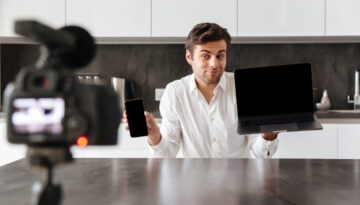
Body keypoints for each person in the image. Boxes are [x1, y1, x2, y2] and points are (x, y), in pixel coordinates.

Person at [124, 23, 279, 158]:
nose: (214, 64)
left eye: (220, 56)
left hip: (238, 185)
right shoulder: (175, 93)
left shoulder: (244, 87)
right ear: (189, 57)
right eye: (206, 56)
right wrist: (154, 136)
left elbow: (260, 154)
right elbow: (167, 154)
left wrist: (268, 135)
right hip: (193, 184)